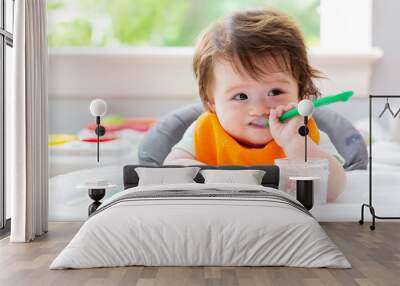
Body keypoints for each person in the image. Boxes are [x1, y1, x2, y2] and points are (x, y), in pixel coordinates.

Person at [164, 9, 346, 202]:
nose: (260, 109)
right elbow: (171, 169)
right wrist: (215, 178)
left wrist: (295, 144)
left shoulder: (301, 132)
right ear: (212, 103)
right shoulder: (205, 131)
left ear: (300, 93)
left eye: (275, 92)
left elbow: (334, 190)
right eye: (241, 96)